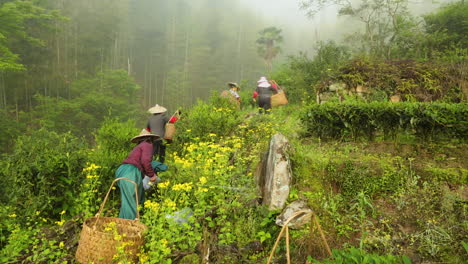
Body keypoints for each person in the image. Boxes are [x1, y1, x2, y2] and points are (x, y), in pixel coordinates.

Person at [116, 129, 160, 219]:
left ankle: (121, 224)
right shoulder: (148, 145)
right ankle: (130, 227)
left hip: (122, 170)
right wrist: (152, 175)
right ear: (150, 138)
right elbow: (145, 161)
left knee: (127, 201)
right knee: (133, 201)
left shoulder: (139, 146)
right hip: (131, 171)